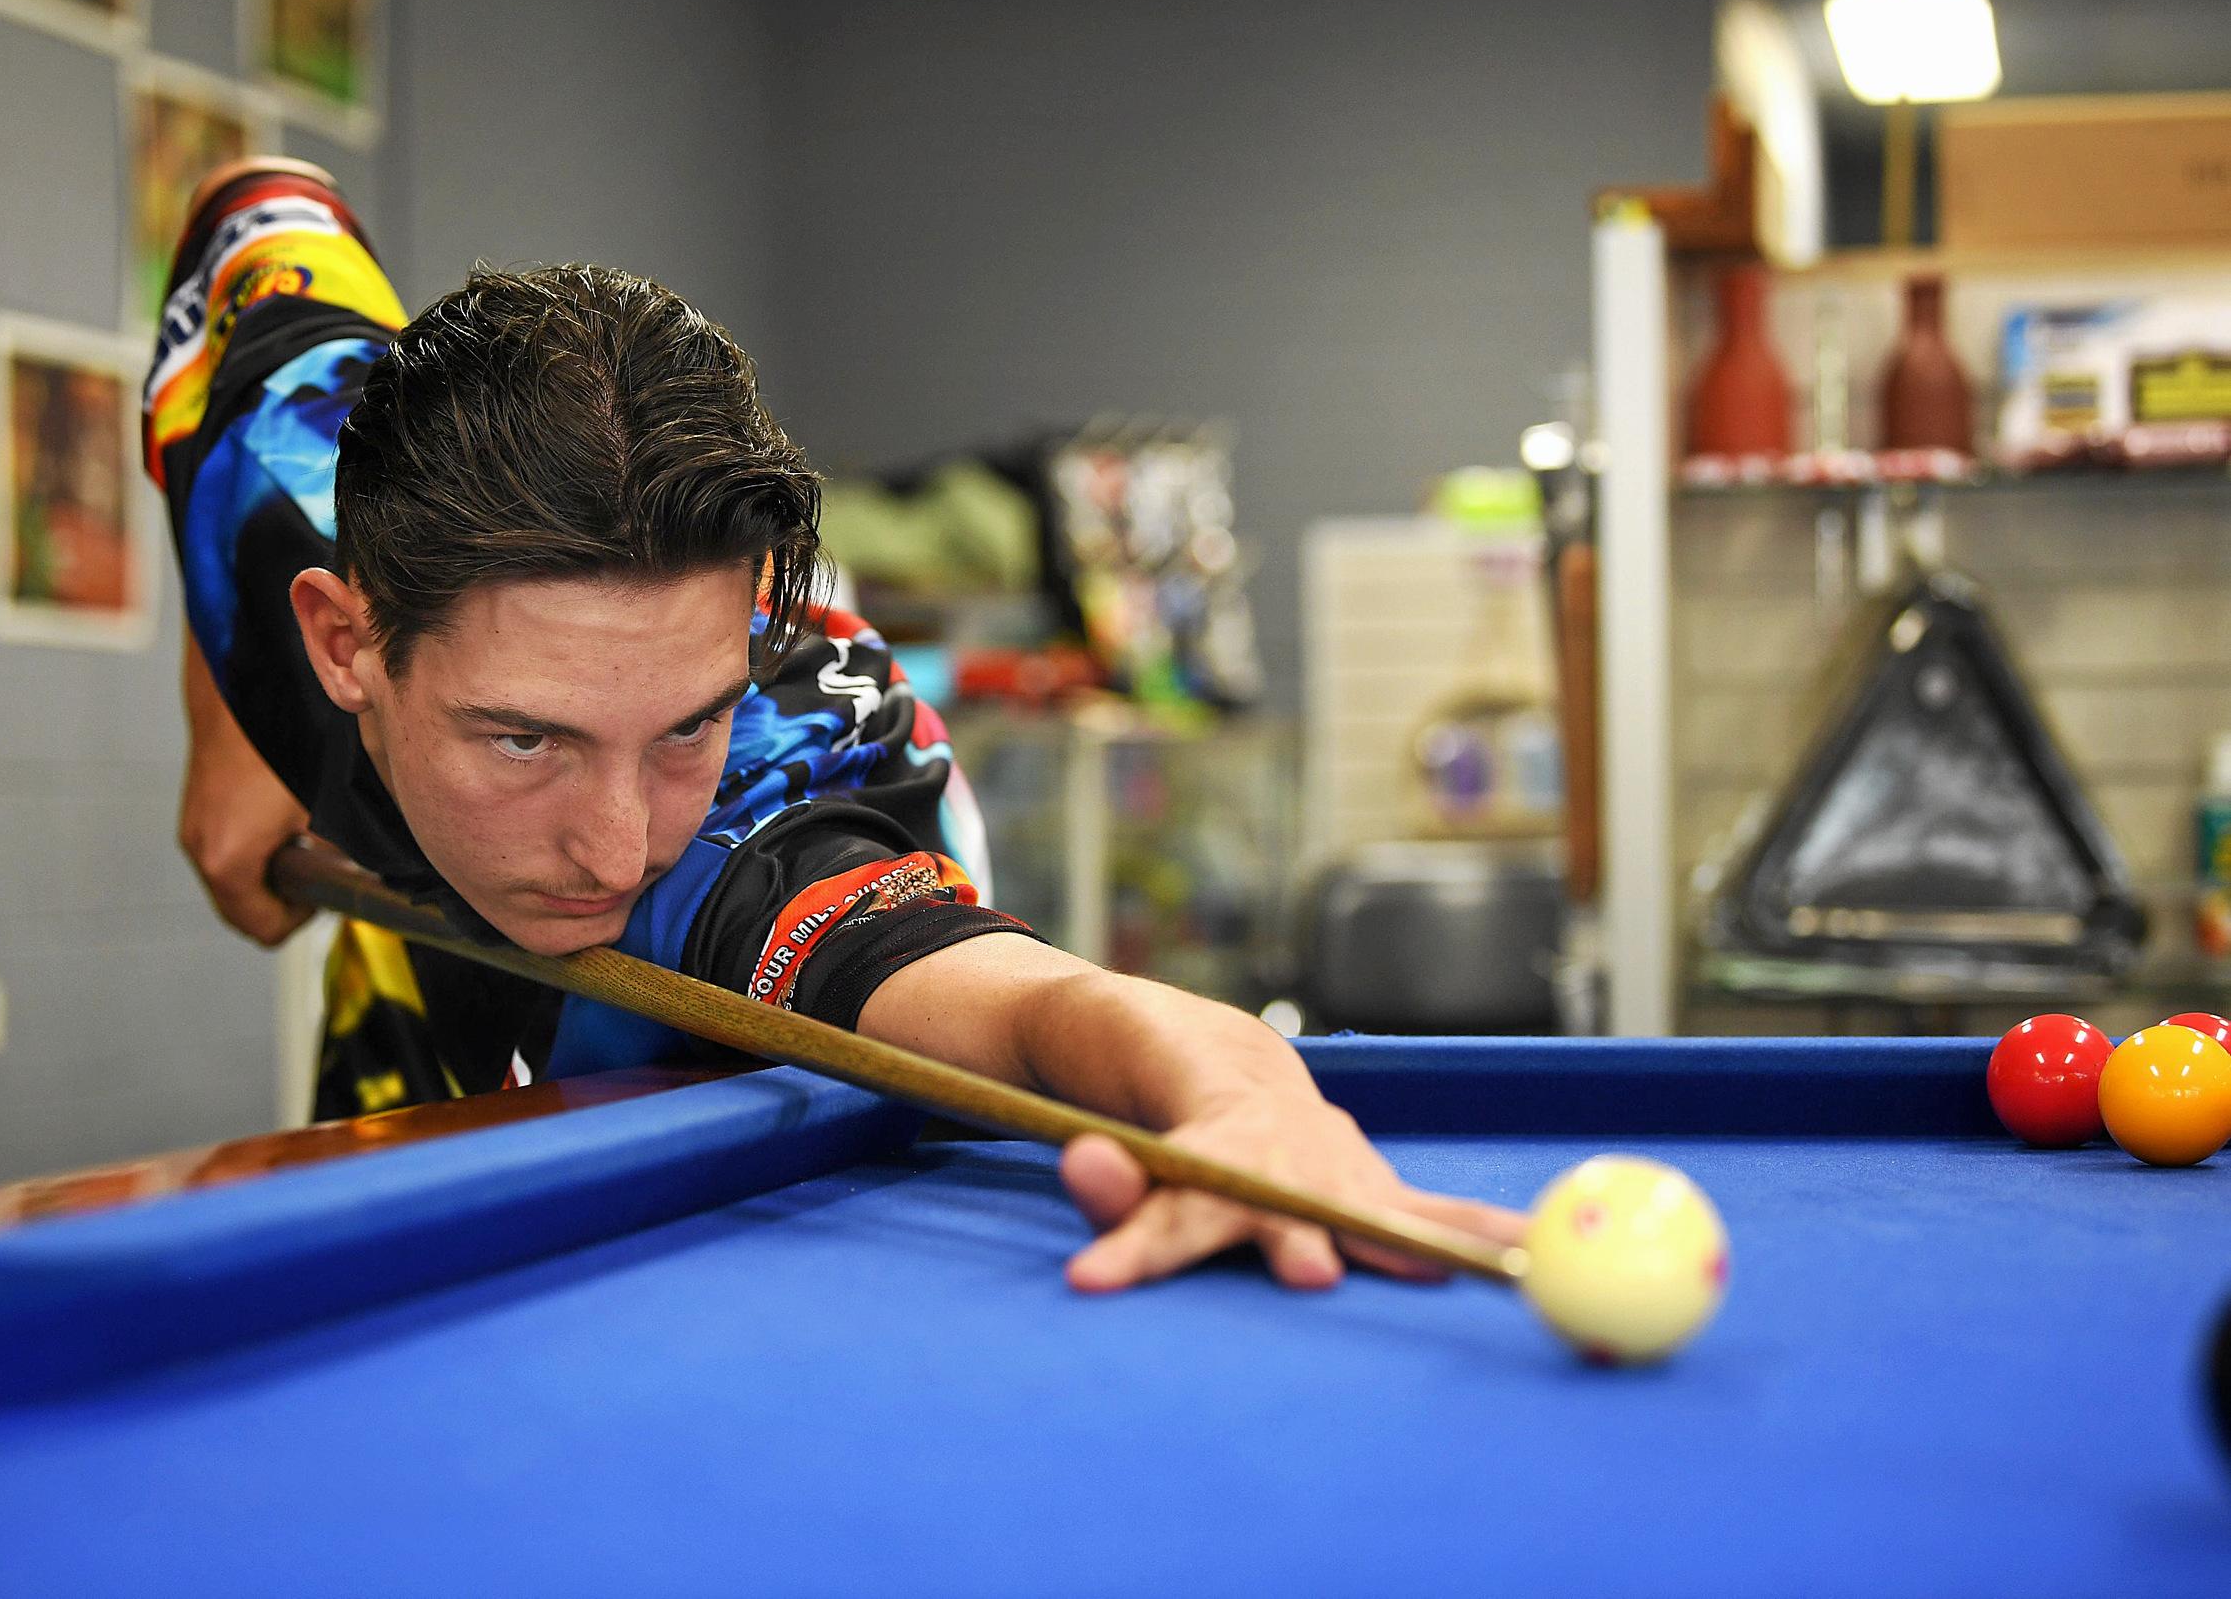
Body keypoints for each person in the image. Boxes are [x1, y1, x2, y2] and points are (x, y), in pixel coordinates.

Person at [142, 157, 1522, 1294]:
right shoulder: (281, 467)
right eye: (527, 740)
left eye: (683, 725)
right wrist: (236, 731)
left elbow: (1046, 1008)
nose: (617, 843)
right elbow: (257, 210)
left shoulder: (740, 836)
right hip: (416, 973)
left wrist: (1245, 1101)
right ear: (341, 642)